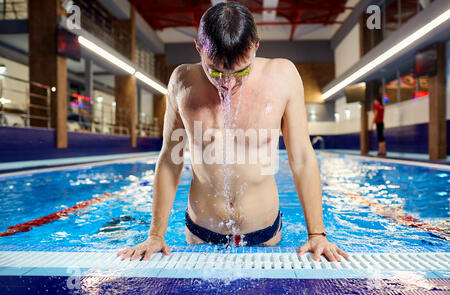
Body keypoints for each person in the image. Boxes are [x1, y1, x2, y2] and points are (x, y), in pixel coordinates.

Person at [117, 2, 348, 263]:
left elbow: (303, 158)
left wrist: (317, 233)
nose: (227, 83)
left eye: (241, 71)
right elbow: (171, 160)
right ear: (199, 48)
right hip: (200, 235)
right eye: (215, 71)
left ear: (255, 47)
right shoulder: (182, 82)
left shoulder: (283, 76)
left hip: (265, 235)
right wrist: (156, 235)